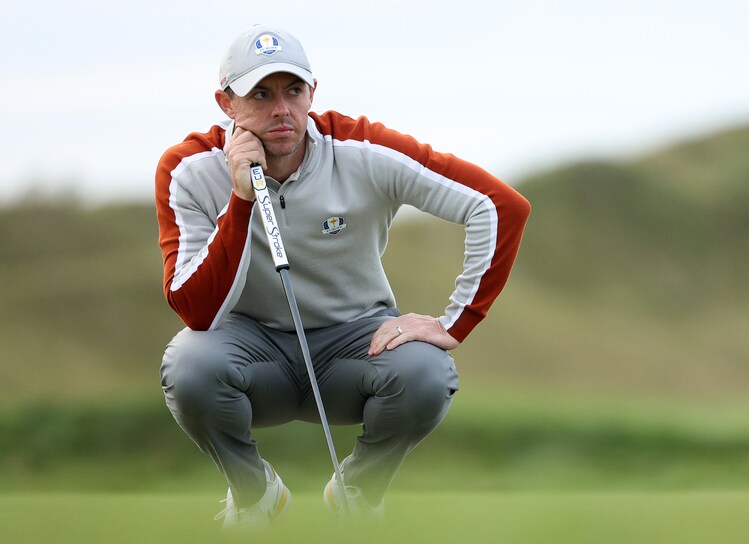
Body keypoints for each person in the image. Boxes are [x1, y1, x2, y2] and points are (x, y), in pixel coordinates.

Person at [154, 24, 530, 529]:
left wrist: (454, 323)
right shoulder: (189, 168)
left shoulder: (362, 149)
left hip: (354, 347)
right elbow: (194, 309)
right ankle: (255, 495)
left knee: (427, 372)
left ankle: (359, 492)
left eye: (293, 91)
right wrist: (242, 199)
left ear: (313, 92)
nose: (281, 109)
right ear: (227, 104)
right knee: (188, 365)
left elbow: (499, 206)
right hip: (249, 352)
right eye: (260, 95)